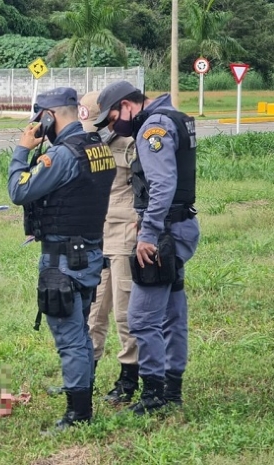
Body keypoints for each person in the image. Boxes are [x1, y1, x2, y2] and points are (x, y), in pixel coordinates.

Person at [7, 87, 116, 430]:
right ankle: (82, 397)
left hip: (63, 261)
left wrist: (22, 150)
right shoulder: (97, 147)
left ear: (50, 116)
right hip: (90, 253)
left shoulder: (64, 155)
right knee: (80, 331)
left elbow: (19, 190)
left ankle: (78, 413)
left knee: (69, 336)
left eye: (40, 120)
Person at [93, 81, 200, 415]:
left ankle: (154, 393)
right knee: (171, 313)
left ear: (127, 105)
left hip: (165, 233)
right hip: (179, 227)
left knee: (140, 317)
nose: (113, 126)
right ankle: (172, 392)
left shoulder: (152, 126)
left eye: (112, 118)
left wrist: (149, 234)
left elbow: (163, 182)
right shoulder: (176, 117)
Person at [79, 91, 140, 405]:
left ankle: (128, 378)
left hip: (125, 233)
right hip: (97, 237)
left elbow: (150, 188)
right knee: (94, 311)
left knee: (126, 312)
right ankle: (84, 378)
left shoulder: (130, 145)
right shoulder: (90, 144)